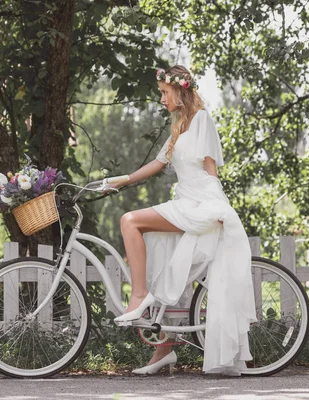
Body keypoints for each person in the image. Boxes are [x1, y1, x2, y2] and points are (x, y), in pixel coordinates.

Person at [110, 65, 256, 376]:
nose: (161, 98)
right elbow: (158, 163)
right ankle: (163, 351)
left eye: (164, 92)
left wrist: (219, 209)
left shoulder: (201, 119)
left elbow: (209, 169)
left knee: (130, 221)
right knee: (161, 261)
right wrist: (122, 180)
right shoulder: (180, 125)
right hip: (184, 202)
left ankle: (138, 296)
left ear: (180, 89)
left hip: (200, 203)